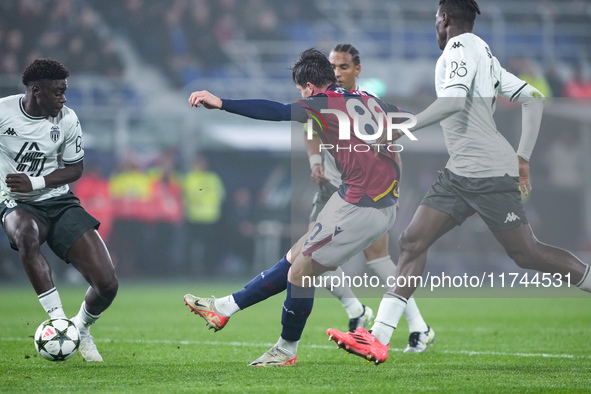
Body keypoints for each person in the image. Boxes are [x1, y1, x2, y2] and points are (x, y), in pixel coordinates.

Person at [327, 0, 591, 365]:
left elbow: (452, 102)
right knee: (412, 240)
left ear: (446, 19)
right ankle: (377, 339)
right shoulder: (484, 52)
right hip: (461, 172)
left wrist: (398, 128)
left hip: (486, 172)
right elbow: (533, 98)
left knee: (527, 253)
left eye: (436, 19)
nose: (435, 27)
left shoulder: (458, 49)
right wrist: (523, 156)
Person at [184, 48, 405, 366]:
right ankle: (224, 308)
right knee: (294, 257)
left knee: (301, 272)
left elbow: (275, 111)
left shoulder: (322, 102)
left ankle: (286, 349)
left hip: (363, 204)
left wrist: (221, 102)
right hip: (358, 198)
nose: (301, 98)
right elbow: (398, 127)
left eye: (301, 92)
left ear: (310, 88)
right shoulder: (369, 99)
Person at [305, 43, 433, 351]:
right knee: (312, 258)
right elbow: (310, 133)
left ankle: (415, 325)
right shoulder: (323, 101)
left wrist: (394, 190)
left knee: (376, 257)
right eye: (333, 67)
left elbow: (390, 149)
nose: (337, 72)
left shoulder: (368, 104)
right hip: (333, 188)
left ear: (357, 70)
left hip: (365, 192)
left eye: (343, 67)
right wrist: (316, 163)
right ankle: (360, 312)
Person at [0, 58, 118, 362]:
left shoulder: (67, 118)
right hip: (15, 200)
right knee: (26, 235)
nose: (63, 99)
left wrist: (35, 181)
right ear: (36, 90)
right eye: (58, 92)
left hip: (58, 200)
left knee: (107, 285)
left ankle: (80, 328)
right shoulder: (3, 112)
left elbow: (75, 168)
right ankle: (57, 320)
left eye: (65, 92)